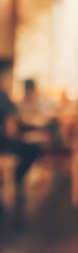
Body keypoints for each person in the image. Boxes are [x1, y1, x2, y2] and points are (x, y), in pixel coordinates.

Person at [0, 59, 41, 200]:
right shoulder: (3, 97)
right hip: (3, 145)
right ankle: (13, 182)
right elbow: (11, 131)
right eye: (10, 76)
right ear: (4, 76)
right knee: (33, 149)